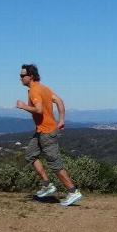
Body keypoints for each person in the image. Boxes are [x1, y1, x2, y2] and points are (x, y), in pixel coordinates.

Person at [16, 63, 82, 206]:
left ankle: (73, 191)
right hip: (41, 131)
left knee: (55, 164)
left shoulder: (34, 91)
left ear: (31, 76)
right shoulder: (43, 88)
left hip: (47, 132)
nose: (20, 78)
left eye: (22, 75)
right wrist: (62, 119)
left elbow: (39, 110)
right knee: (30, 154)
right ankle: (47, 185)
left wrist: (23, 106)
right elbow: (59, 100)